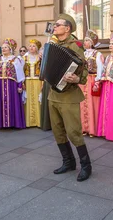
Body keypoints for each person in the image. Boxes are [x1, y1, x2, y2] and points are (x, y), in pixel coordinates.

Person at [48, 14, 92, 181]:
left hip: (69, 96)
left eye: (57, 24)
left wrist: (77, 79)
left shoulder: (75, 46)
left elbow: (84, 70)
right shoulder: (52, 44)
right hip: (53, 94)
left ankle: (86, 165)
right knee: (58, 132)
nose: (54, 26)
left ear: (67, 28)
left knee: (73, 132)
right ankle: (68, 162)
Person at [0, 38, 26, 129]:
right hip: (0, 84)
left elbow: (19, 73)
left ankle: (14, 123)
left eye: (6, 47)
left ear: (10, 49)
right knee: (1, 102)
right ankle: (2, 124)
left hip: (12, 85)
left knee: (13, 102)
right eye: (2, 47)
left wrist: (19, 85)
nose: (3, 49)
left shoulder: (15, 59)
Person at [79, 30, 103, 137]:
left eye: (87, 41)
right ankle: (83, 127)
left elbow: (100, 69)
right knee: (82, 103)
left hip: (92, 79)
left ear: (92, 43)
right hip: (83, 80)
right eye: (84, 41)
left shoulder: (97, 54)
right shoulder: (82, 54)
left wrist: (97, 80)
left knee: (92, 103)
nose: (85, 43)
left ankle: (92, 128)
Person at [23, 39, 42, 128]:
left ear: (37, 48)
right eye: (30, 46)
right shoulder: (24, 58)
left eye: (33, 46)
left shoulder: (40, 57)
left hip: (37, 81)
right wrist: (22, 82)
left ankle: (38, 121)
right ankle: (28, 122)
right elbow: (21, 71)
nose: (31, 47)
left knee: (38, 100)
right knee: (28, 100)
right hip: (27, 81)